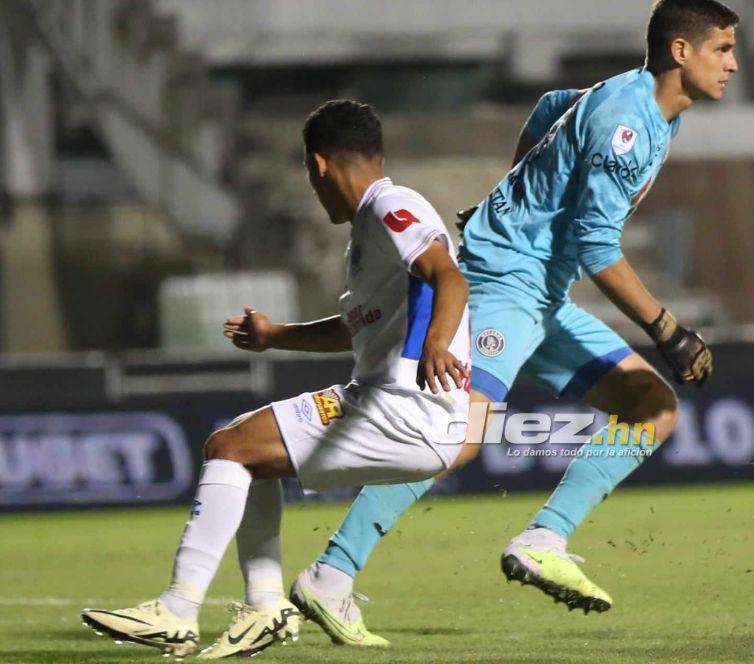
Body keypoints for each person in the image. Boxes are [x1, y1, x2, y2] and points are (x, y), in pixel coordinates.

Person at [295, 0, 737, 643]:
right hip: (504, 284)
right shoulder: (628, 122)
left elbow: (551, 109)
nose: (732, 64)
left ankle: (543, 539)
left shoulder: (642, 105)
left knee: (652, 405)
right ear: (681, 50)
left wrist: (514, 194)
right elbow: (595, 247)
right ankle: (330, 574)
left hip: (538, 292)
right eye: (723, 49)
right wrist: (667, 328)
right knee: (455, 436)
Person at [80, 99, 473, 658]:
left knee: (228, 446)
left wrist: (436, 343)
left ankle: (177, 611)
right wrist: (274, 334)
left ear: (318, 165)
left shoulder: (391, 205)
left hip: (406, 407)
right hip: (396, 407)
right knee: (247, 445)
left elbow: (447, 277)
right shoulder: (370, 229)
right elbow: (353, 329)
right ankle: (263, 606)